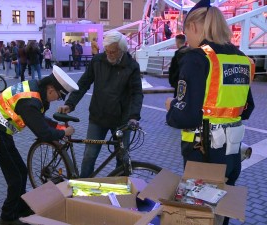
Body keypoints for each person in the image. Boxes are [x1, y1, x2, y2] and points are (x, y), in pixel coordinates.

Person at [164, 0, 255, 224]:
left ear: (194, 27)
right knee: (221, 214)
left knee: (199, 217)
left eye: (187, 33)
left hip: (202, 154)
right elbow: (247, 108)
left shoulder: (197, 59)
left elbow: (187, 115)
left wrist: (171, 106)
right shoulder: (241, 59)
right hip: (231, 154)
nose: (188, 40)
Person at [0, 65, 78, 225]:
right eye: (59, 95)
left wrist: (58, 127)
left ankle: (21, 209)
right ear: (51, 88)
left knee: (22, 172)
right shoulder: (30, 101)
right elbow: (42, 133)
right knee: (15, 178)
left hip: (1, 128)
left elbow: (40, 120)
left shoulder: (38, 90)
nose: (58, 99)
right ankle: (7, 217)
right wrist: (63, 133)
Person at [58, 31, 144, 178]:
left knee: (122, 158)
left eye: (113, 52)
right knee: (89, 156)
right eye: (107, 51)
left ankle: (119, 190)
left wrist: (134, 117)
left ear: (122, 49)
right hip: (98, 116)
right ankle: (83, 187)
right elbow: (83, 83)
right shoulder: (97, 61)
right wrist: (70, 104)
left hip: (122, 120)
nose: (109, 54)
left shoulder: (131, 66)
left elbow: (137, 93)